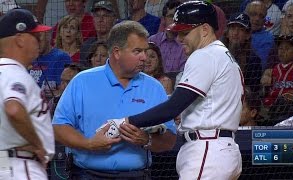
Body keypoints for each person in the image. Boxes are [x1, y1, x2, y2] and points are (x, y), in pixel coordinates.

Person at [107, 1, 244, 179]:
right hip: (220, 149)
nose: (179, 39)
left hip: (208, 150)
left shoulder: (205, 55)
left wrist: (126, 122)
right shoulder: (223, 55)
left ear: (204, 30)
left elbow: (173, 107)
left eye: (185, 33)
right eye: (178, 32)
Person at [52, 20, 176, 179]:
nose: (144, 57)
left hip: (136, 176)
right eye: (137, 51)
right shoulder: (82, 81)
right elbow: (59, 127)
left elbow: (170, 139)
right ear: (117, 52)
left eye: (145, 51)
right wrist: (89, 144)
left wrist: (146, 139)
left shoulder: (154, 87)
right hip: (87, 175)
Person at [0, 9, 54, 179]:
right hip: (20, 167)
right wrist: (38, 144)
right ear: (20, 39)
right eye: (35, 36)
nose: (40, 41)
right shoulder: (15, 73)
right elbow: (13, 109)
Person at [221, 12, 262, 92]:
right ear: (227, 34)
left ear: (248, 35)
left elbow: (253, 91)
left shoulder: (254, 60)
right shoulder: (217, 55)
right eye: (232, 28)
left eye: (241, 29)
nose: (235, 33)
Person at [148, 0, 187, 80]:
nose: (174, 20)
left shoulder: (186, 43)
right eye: (171, 16)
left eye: (177, 17)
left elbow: (184, 73)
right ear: (163, 19)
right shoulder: (153, 40)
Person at [29, 31, 72, 100]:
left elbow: (64, 91)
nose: (36, 42)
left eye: (39, 37)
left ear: (48, 36)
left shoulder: (61, 58)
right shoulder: (28, 58)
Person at [79, 0, 117, 65]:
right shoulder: (86, 46)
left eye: (105, 16)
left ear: (113, 19)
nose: (100, 20)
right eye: (97, 16)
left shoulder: (119, 44)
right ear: (93, 19)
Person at [245, 0, 275, 70]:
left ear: (264, 20)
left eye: (261, 16)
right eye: (253, 14)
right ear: (245, 15)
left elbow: (259, 66)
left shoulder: (268, 38)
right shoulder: (237, 31)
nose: (257, 19)